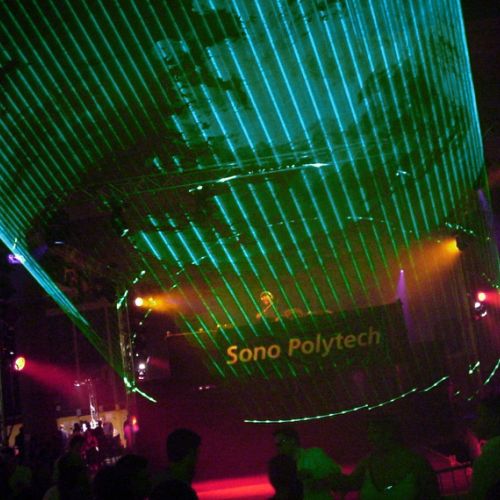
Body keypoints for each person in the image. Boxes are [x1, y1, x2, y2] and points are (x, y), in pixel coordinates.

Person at [329, 416, 439, 499]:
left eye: (374, 433)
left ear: (390, 433)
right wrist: (325, 479)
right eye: (369, 434)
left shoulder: (417, 463)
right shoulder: (367, 463)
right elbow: (350, 483)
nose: (370, 438)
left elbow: (432, 496)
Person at [273, 426, 340, 500]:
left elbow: (337, 477)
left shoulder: (314, 455)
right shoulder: (280, 467)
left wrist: (318, 482)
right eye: (276, 444)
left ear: (292, 440)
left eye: (281, 442)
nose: (278, 447)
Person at [150, 428, 201, 500]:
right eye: (197, 453)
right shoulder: (179, 487)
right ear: (191, 454)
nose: (198, 458)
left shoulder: (157, 482)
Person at [469, 395, 500, 499]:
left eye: (480, 416)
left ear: (495, 419)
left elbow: (478, 495)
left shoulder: (489, 458)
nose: (475, 421)